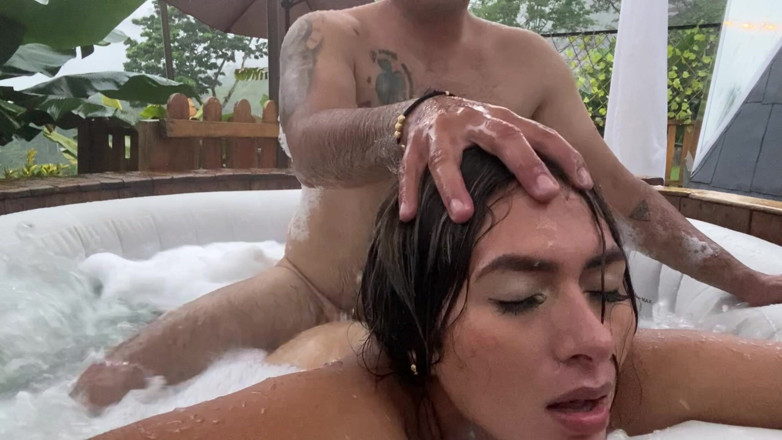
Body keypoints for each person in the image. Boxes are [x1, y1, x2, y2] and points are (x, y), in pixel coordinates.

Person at [72, 0, 782, 409]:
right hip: (310, 287)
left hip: (434, 313)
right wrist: (414, 118)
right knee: (102, 388)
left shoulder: (529, 62)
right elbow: (308, 143)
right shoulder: (329, 34)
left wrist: (747, 282)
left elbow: (622, 196)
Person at [93, 148, 782, 439]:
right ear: (419, 332)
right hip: (321, 352)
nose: (595, 339)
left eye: (605, 287)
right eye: (520, 298)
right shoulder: (350, 414)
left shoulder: (617, 368)